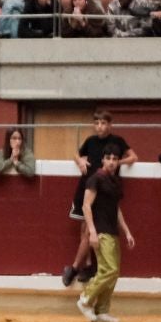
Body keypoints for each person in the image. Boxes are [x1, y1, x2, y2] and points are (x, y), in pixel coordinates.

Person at [62, 110, 137, 287]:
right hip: (88, 187)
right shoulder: (90, 141)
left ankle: (76, 268)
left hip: (104, 189)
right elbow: (76, 154)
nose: (100, 127)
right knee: (85, 231)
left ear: (110, 124)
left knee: (90, 232)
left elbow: (134, 156)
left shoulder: (117, 141)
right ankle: (87, 266)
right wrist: (80, 161)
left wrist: (118, 163)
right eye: (97, 123)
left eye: (103, 123)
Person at [78, 149, 133, 322]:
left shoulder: (114, 181)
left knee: (112, 272)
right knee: (109, 270)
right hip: (101, 230)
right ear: (102, 159)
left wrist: (126, 231)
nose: (111, 162)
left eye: (115, 159)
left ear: (118, 162)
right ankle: (86, 298)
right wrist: (92, 231)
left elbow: (116, 209)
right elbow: (86, 206)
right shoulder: (95, 178)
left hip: (112, 231)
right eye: (108, 158)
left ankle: (102, 310)